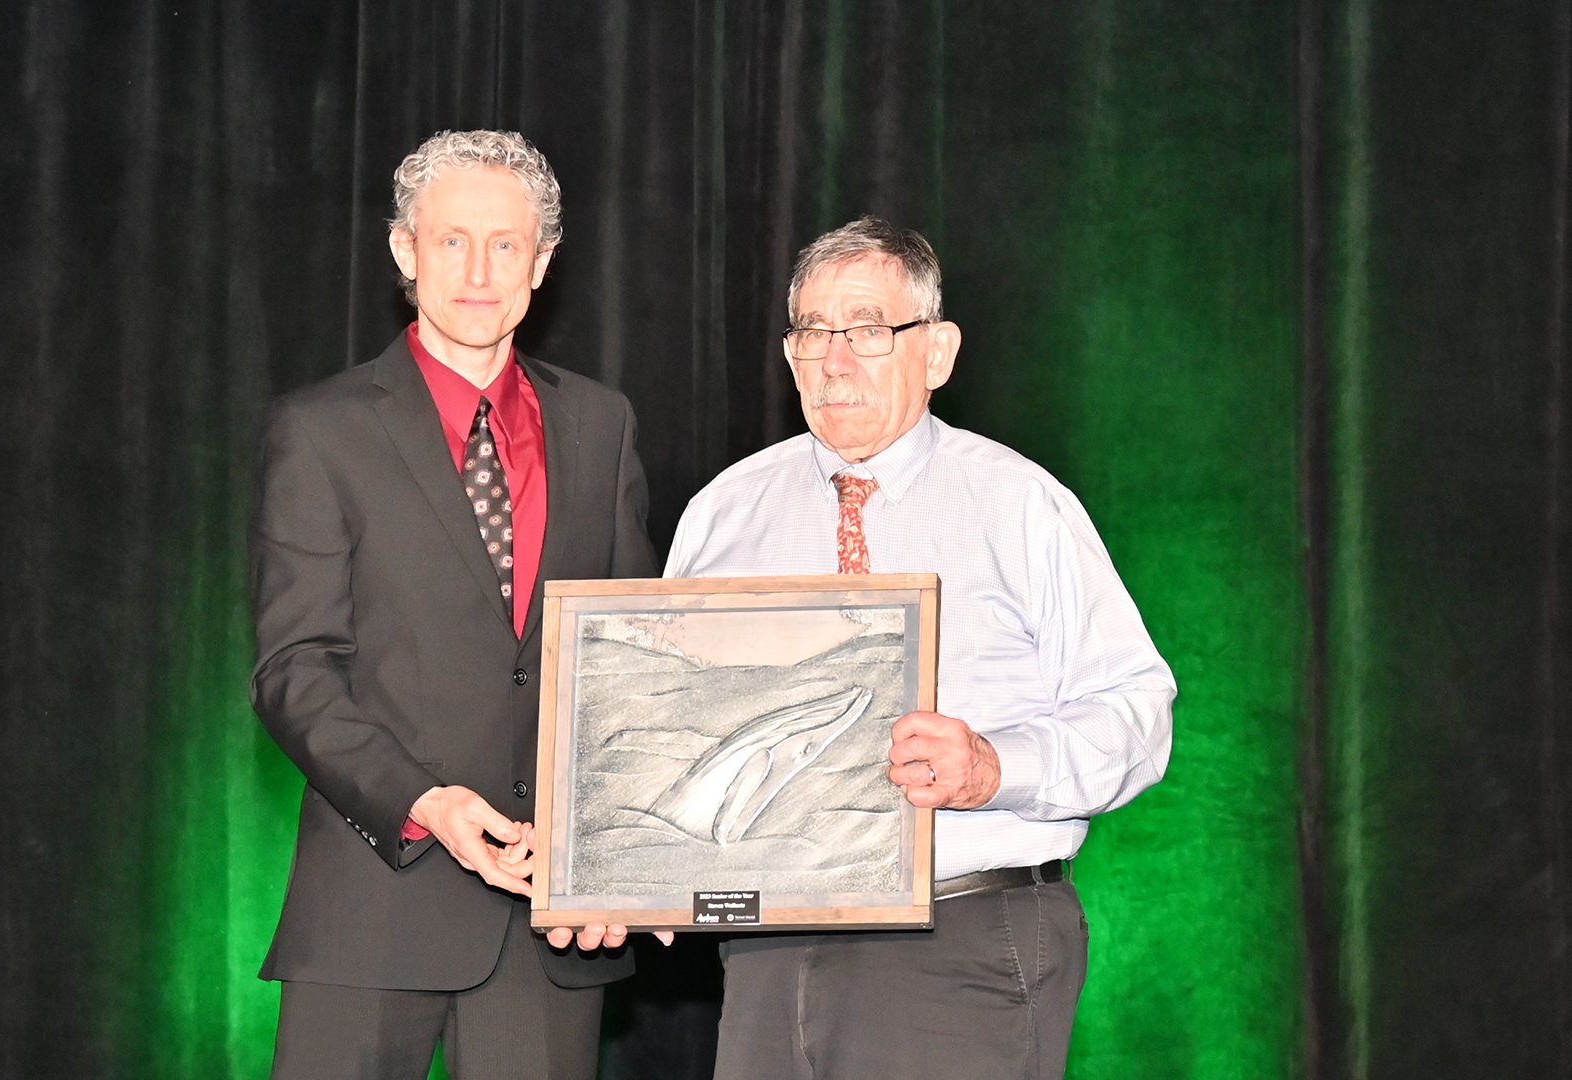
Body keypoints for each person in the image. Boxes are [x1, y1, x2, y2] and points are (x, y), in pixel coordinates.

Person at [664, 216, 1175, 1080]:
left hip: (961, 935)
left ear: (936, 353)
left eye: (868, 330)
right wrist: (633, 870)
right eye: (812, 333)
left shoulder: (1019, 504)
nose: (835, 359)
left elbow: (1136, 715)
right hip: (765, 950)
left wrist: (992, 765)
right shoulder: (725, 513)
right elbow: (674, 722)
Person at [248, 129, 656, 1080]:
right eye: (451, 241)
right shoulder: (319, 431)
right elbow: (292, 670)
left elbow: (630, 669)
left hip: (548, 925)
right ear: (405, 252)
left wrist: (614, 859)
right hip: (371, 906)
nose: (479, 270)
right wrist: (425, 803)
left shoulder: (603, 424)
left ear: (542, 262)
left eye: (506, 244)